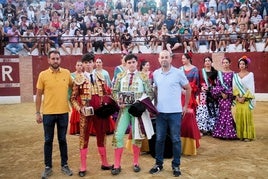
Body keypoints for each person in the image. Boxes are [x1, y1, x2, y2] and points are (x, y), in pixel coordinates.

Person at [71, 52, 116, 177]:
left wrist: (109, 103)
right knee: (83, 137)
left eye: (90, 62)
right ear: (83, 65)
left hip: (100, 112)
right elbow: (73, 98)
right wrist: (80, 109)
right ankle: (83, 166)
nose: (88, 65)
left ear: (93, 63)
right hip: (85, 113)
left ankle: (104, 162)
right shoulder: (78, 79)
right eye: (86, 63)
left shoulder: (100, 77)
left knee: (101, 135)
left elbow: (107, 92)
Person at [149, 50, 191, 177]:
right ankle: (158, 164)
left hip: (175, 113)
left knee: (176, 140)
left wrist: (185, 106)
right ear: (158, 59)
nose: (164, 59)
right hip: (160, 113)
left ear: (171, 59)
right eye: (162, 57)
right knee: (160, 139)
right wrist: (155, 104)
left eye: (166, 57)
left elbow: (188, 88)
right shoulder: (156, 74)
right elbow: (155, 89)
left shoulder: (178, 73)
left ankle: (176, 165)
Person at [111, 53, 153, 175]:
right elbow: (114, 91)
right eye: (129, 62)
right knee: (118, 135)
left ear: (137, 63)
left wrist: (141, 104)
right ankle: (117, 164)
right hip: (124, 110)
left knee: (137, 136)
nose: (131, 64)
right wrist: (119, 101)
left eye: (133, 62)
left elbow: (150, 93)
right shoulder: (120, 76)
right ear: (125, 64)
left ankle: (135, 163)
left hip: (137, 111)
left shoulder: (143, 77)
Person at [35, 50, 73, 178]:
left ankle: (65, 165)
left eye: (57, 58)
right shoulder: (43, 75)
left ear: (60, 60)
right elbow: (39, 94)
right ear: (48, 60)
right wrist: (37, 113)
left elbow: (75, 88)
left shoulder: (67, 73)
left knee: (62, 139)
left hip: (63, 112)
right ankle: (47, 167)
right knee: (48, 140)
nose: (55, 60)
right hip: (48, 113)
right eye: (53, 58)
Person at [179, 53, 201, 156]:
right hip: (181, 95)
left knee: (191, 116)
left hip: (190, 94)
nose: (182, 60)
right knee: (181, 116)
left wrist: (189, 90)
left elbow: (196, 83)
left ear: (188, 59)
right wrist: (181, 89)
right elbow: (178, 82)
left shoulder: (195, 69)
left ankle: (193, 141)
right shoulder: (180, 69)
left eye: (184, 58)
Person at [212, 57, 237, 139]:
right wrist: (222, 93)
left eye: (227, 62)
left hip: (229, 96)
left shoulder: (233, 74)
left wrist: (228, 94)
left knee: (227, 111)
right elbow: (217, 85)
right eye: (224, 62)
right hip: (221, 96)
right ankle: (221, 132)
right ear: (222, 64)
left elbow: (234, 86)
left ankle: (228, 132)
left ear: (230, 63)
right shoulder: (220, 73)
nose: (225, 64)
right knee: (222, 112)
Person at [233, 56, 256, 142]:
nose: (241, 65)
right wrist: (238, 97)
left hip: (246, 99)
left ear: (246, 65)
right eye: (240, 64)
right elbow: (234, 87)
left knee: (247, 116)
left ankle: (247, 136)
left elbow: (251, 88)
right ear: (238, 65)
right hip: (239, 100)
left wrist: (244, 97)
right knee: (239, 116)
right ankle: (240, 135)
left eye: (243, 64)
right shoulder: (235, 76)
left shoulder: (250, 74)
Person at [196, 56, 218, 136]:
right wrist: (201, 87)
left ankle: (211, 129)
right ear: (204, 63)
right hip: (202, 94)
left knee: (212, 110)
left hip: (212, 94)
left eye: (209, 60)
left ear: (211, 62)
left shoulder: (215, 72)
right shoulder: (200, 72)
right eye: (206, 61)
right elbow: (197, 83)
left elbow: (217, 83)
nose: (207, 62)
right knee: (202, 110)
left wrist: (213, 89)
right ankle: (202, 129)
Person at [69, 61, 83, 135]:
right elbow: (69, 89)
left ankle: (82, 129)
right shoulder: (71, 75)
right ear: (75, 66)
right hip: (74, 97)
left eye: (81, 65)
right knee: (75, 111)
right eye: (78, 65)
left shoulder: (84, 75)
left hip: (82, 97)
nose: (79, 66)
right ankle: (76, 130)